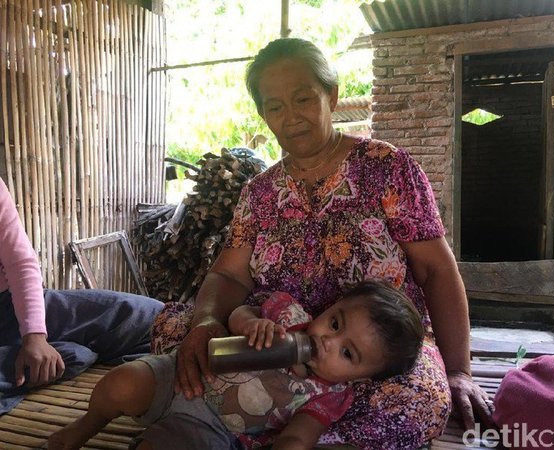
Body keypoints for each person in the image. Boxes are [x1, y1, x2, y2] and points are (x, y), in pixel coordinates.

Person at [151, 37, 494, 448]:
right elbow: (228, 273)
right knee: (177, 328)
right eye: (274, 106)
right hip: (273, 342)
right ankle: (264, 419)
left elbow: (436, 270)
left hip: (361, 358)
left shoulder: (387, 169)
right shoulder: (259, 192)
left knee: (417, 401)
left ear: (331, 96)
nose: (290, 117)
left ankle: (249, 422)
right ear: (263, 114)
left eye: (303, 98)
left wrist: (459, 370)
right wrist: (206, 322)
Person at [48, 281, 424, 450]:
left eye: (347, 353)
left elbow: (299, 436)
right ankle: (88, 423)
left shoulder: (329, 396)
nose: (327, 340)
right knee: (120, 383)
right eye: (336, 323)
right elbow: (239, 311)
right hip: (178, 373)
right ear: (332, 306)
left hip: (209, 428)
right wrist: (250, 324)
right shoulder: (288, 316)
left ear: (364, 377)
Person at [0, 177, 164, 414]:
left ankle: (52, 356)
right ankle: (56, 358)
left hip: (12, 306)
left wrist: (34, 336)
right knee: (73, 355)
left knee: (151, 317)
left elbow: (20, 262)